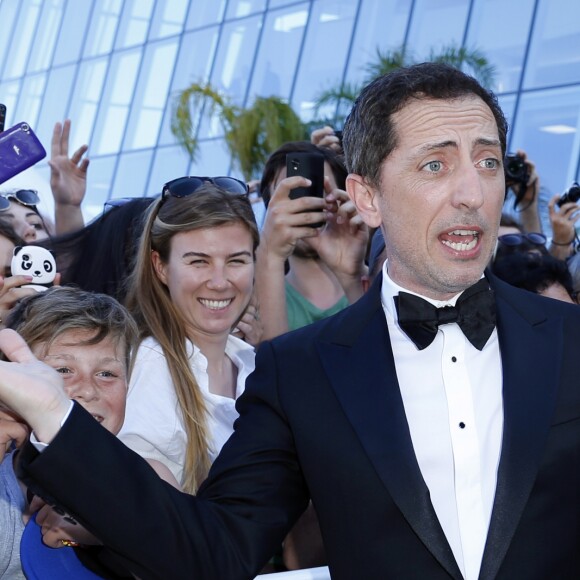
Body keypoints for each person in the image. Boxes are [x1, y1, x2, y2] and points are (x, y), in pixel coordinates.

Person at [1, 62, 580, 579]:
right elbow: (213, 551)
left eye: (486, 161)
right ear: (367, 197)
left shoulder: (570, 342)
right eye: (435, 164)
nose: (472, 192)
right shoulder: (301, 370)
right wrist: (54, 413)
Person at [119, 179, 258, 493]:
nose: (220, 282)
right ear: (161, 267)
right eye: (199, 262)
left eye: (236, 260)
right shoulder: (151, 364)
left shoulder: (253, 362)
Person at [0, 286, 138, 579]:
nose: (88, 390)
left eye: (107, 373)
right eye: (62, 370)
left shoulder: (144, 476)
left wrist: (111, 525)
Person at [256, 141, 367, 339]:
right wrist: (269, 255)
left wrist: (353, 278)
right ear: (269, 211)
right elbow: (273, 364)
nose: (302, 205)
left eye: (316, 191)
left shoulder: (380, 278)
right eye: (290, 195)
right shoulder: (251, 299)